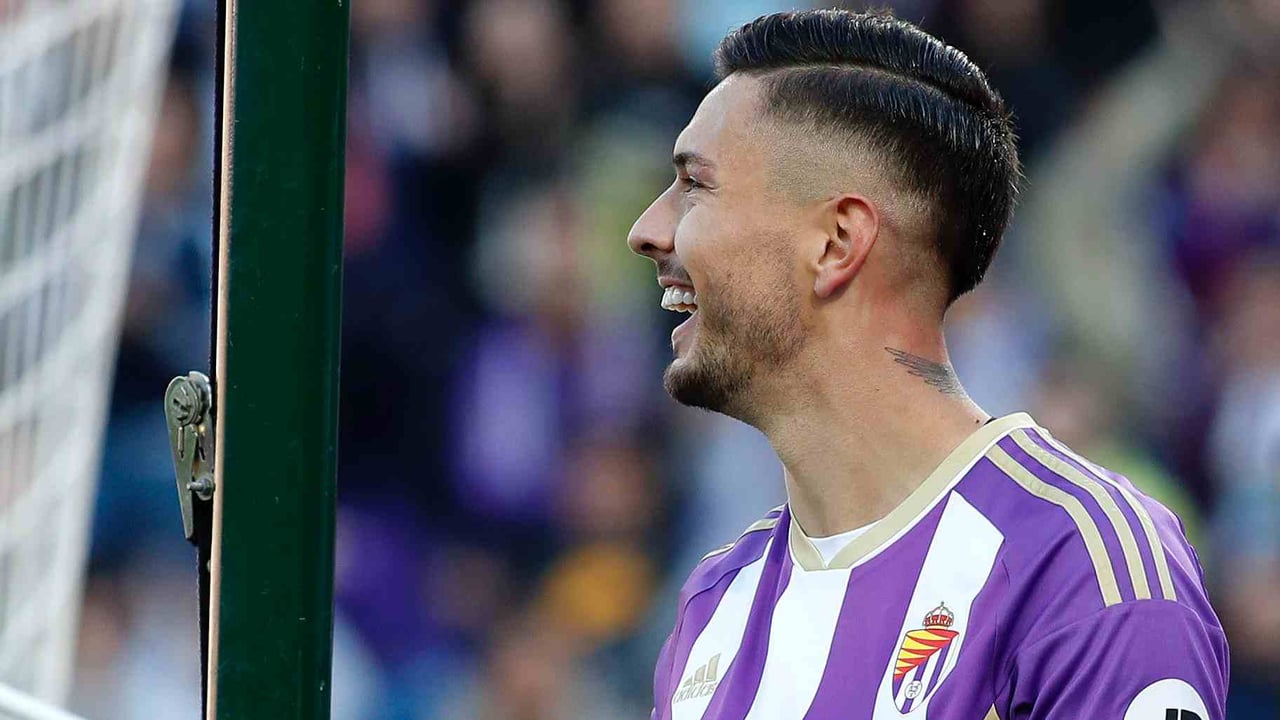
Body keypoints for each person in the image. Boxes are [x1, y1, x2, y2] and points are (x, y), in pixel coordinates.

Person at [625, 10, 1227, 720]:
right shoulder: (715, 607)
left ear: (836, 242)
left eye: (695, 185)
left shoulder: (1078, 566)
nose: (646, 230)